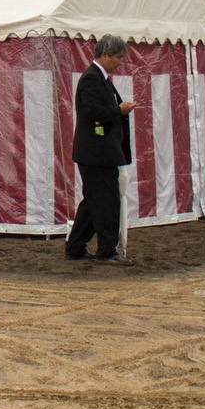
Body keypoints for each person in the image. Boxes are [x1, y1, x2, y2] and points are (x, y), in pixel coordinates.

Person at [66, 35, 136, 263]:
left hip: (99, 152)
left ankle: (75, 247)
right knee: (107, 202)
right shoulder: (91, 79)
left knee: (93, 202)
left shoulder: (102, 79)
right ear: (104, 55)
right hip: (95, 154)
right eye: (117, 57)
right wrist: (120, 110)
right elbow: (91, 112)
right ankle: (107, 250)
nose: (120, 62)